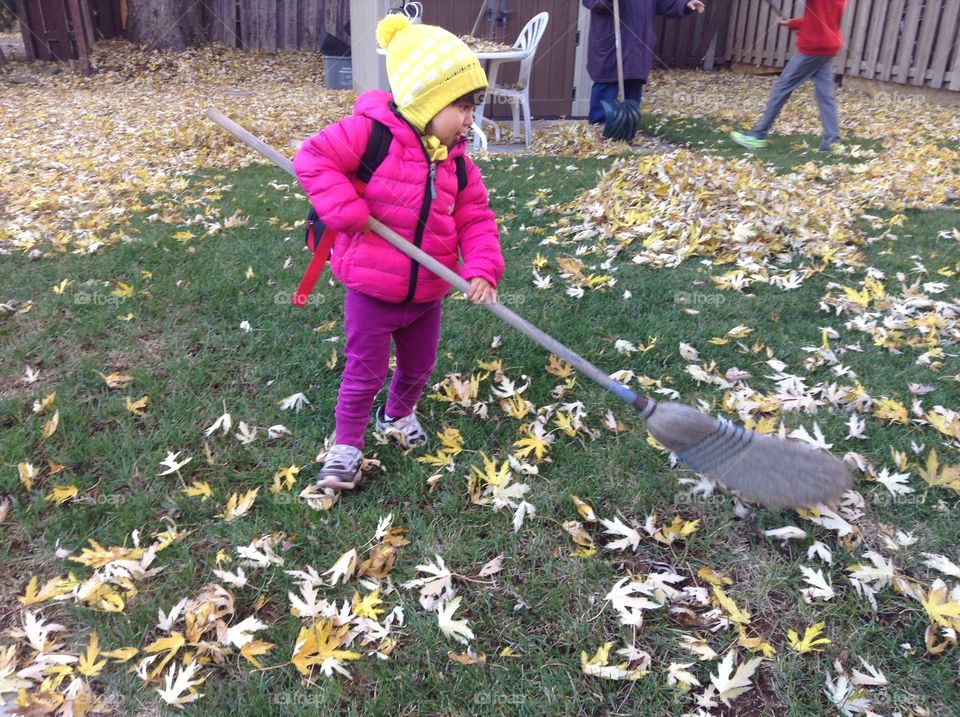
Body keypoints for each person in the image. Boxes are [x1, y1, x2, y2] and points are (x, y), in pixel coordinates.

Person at [293, 14, 504, 491]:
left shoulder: (457, 164)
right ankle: (346, 446)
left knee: (418, 365)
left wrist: (483, 267)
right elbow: (313, 158)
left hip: (427, 292)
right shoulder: (372, 134)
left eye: (473, 107)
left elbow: (476, 220)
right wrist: (346, 209)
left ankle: (398, 414)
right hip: (371, 289)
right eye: (461, 107)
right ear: (426, 101)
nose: (470, 119)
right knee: (363, 372)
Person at [730, 0, 847, 152]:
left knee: (782, 88)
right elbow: (820, 19)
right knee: (826, 96)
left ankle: (758, 136)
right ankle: (833, 143)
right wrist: (793, 23)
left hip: (812, 49)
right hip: (829, 47)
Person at [583, 0, 705, 125]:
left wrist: (683, 5)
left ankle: (627, 130)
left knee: (633, 86)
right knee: (607, 85)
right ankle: (599, 128)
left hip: (638, 45)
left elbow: (663, 3)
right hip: (612, 42)